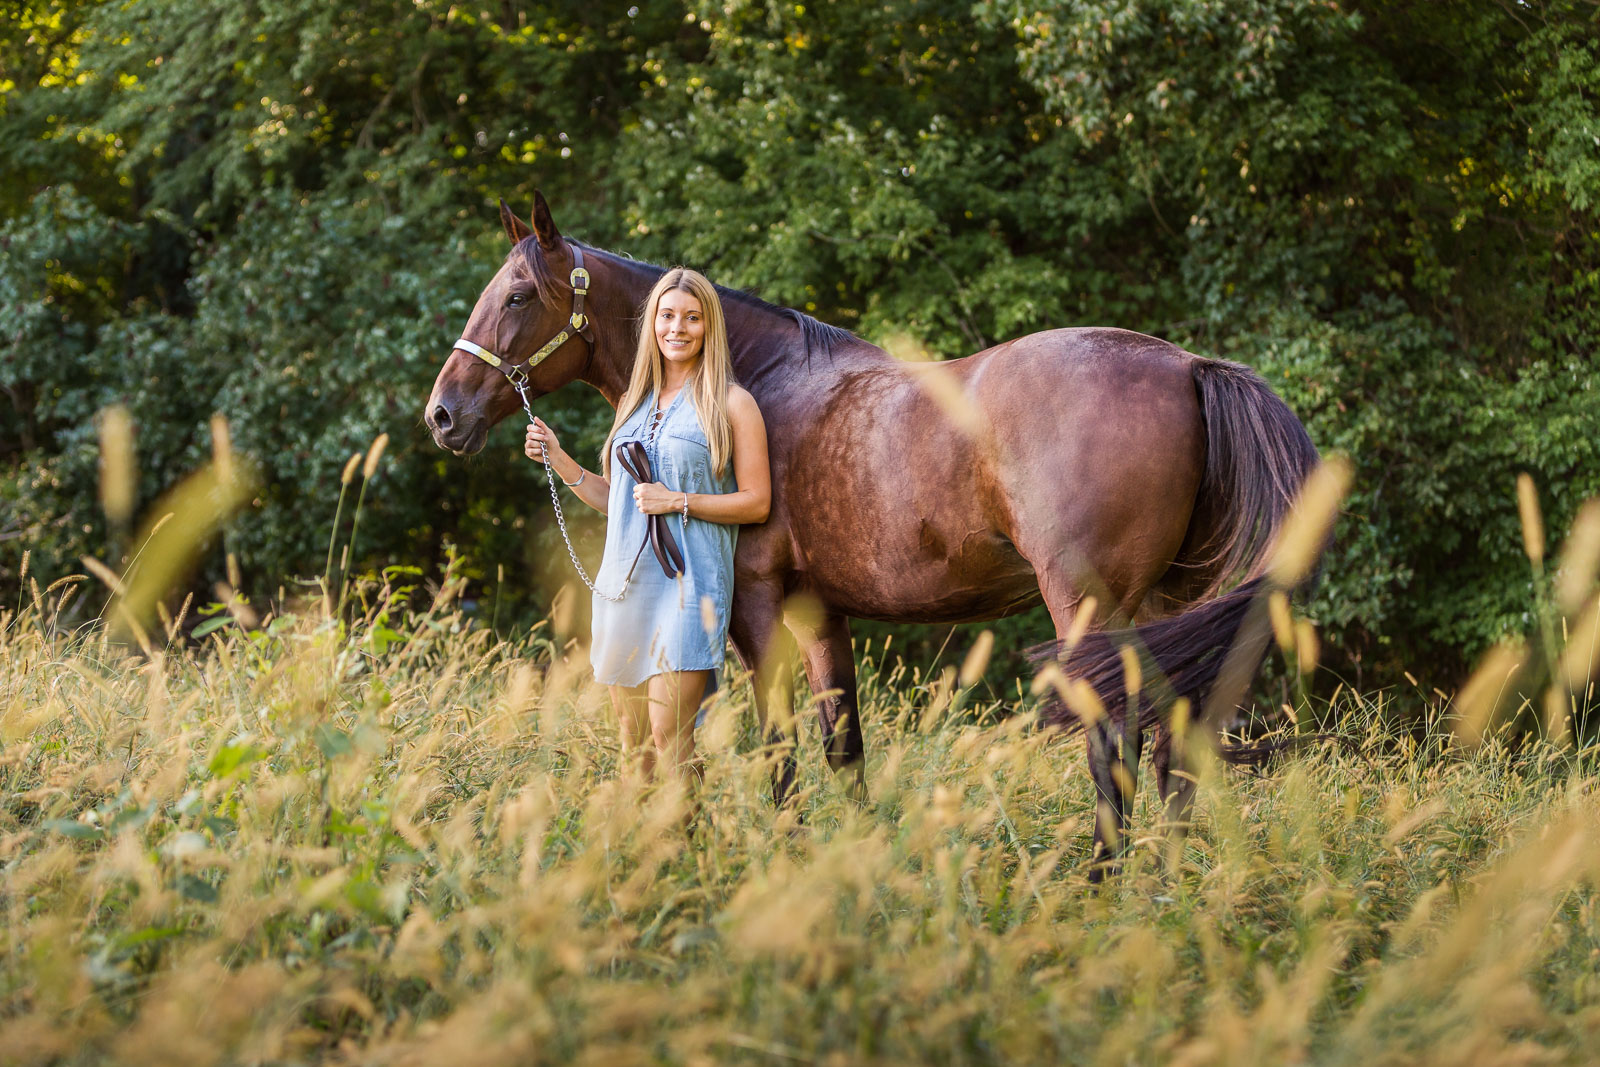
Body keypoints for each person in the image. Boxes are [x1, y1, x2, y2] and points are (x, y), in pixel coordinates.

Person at [524, 268, 770, 786]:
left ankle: (693, 854)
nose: (677, 328)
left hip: (688, 590)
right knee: (633, 744)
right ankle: (650, 854)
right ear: (652, 323)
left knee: (669, 737)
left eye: (692, 318)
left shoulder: (731, 403)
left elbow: (756, 503)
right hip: (623, 588)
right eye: (667, 315)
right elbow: (619, 503)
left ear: (709, 328)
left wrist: (678, 500)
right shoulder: (631, 407)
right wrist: (560, 459)